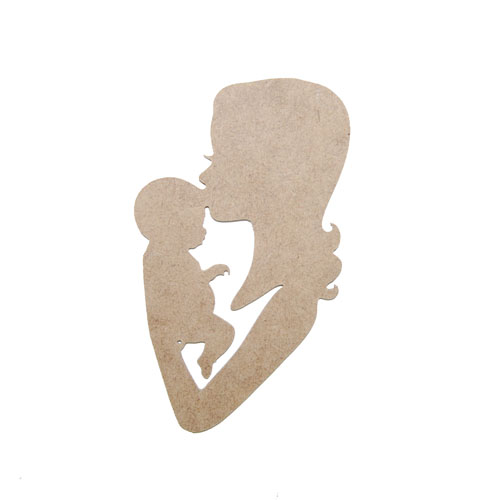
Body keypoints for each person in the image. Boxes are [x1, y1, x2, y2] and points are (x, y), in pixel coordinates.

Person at [144, 79, 350, 432]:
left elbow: (197, 415)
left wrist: (161, 339)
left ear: (273, 174)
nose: (205, 175)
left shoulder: (293, 306)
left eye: (218, 158)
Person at [135, 177, 234, 379]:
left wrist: (209, 274)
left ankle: (206, 359)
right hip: (178, 321)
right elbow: (171, 289)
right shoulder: (158, 258)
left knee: (225, 333)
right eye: (196, 225)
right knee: (223, 333)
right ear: (171, 227)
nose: (203, 231)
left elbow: (191, 281)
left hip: (198, 319)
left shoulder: (182, 258)